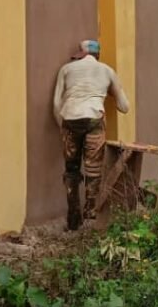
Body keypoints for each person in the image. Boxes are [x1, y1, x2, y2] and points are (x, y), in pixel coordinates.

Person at [53, 40, 130, 230]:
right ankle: (90, 217)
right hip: (94, 119)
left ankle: (73, 220)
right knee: (94, 169)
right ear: (98, 55)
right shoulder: (107, 71)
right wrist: (108, 91)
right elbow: (124, 107)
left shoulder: (66, 69)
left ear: (81, 54)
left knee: (71, 169)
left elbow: (56, 104)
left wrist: (63, 126)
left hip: (70, 119)